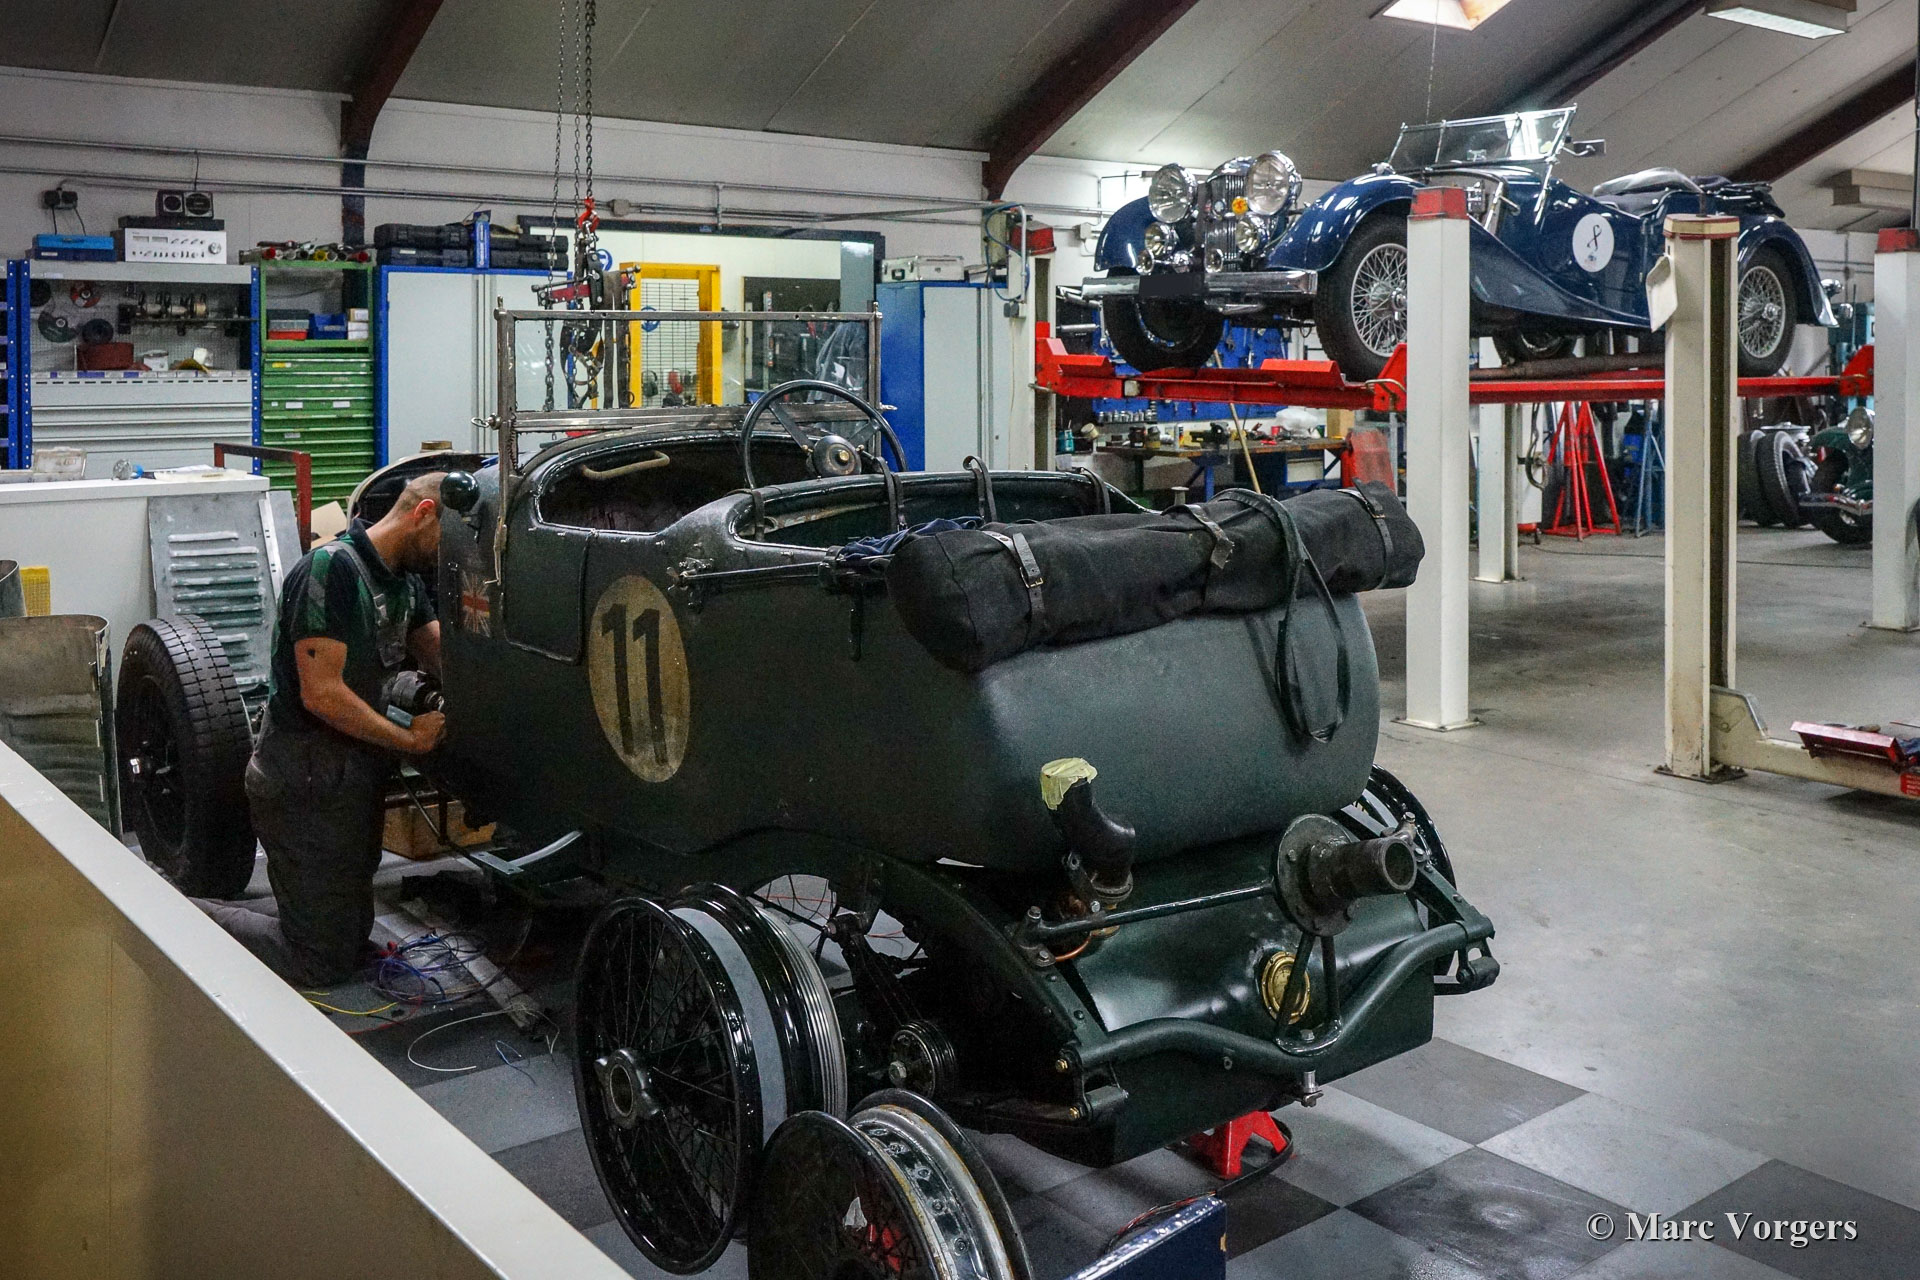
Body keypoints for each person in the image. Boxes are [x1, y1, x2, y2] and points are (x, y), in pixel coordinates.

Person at [195, 473, 448, 986]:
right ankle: (179, 914)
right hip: (301, 780)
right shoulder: (330, 570)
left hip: (352, 775)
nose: (451, 555)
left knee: (350, 934)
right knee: (317, 960)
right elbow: (322, 694)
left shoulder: (404, 580)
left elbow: (438, 653)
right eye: (451, 538)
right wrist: (410, 739)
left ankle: (319, 931)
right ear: (423, 515)